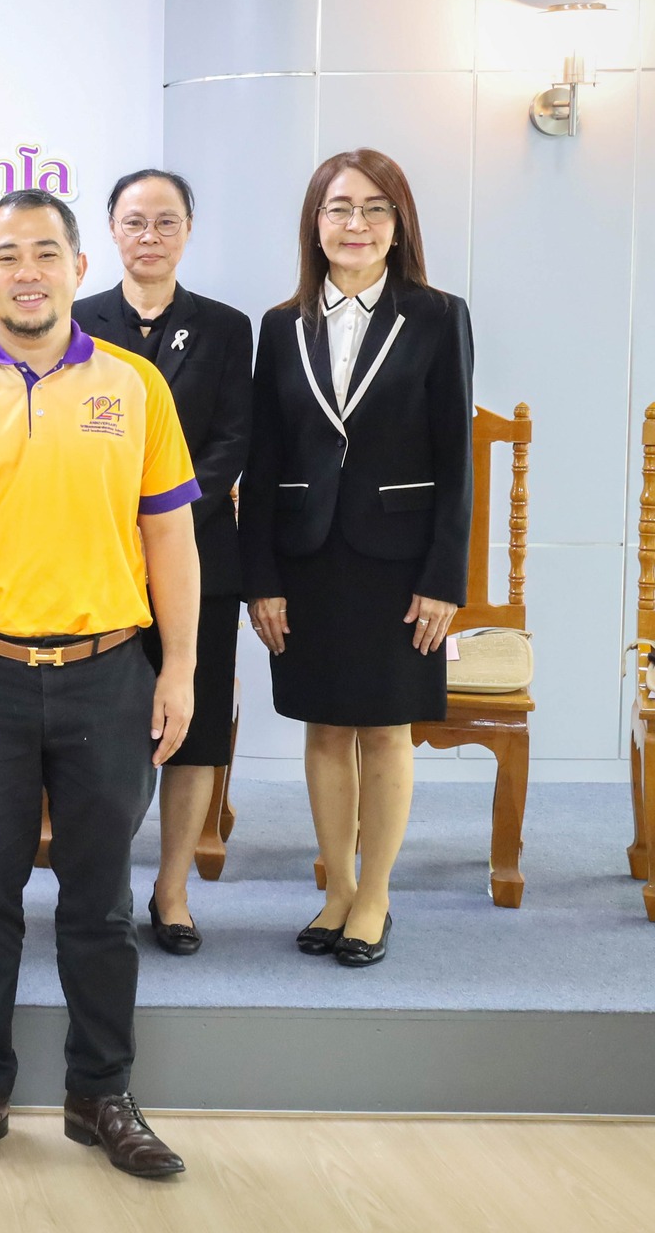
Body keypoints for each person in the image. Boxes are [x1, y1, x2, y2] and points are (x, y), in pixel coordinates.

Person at [0, 188, 198, 1180]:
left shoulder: (136, 385)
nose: (27, 271)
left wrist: (180, 667)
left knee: (100, 900)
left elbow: (169, 535)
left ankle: (100, 1093)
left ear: (77, 268)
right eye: (7, 254)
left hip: (107, 674)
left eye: (45, 252)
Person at [241, 149, 473, 969]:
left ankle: (375, 895)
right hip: (307, 558)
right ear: (315, 223)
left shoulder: (438, 316)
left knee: (384, 727)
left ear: (398, 224)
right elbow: (264, 458)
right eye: (339, 208)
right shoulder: (281, 325)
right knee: (324, 724)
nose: (357, 224)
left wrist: (444, 579)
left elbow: (456, 457)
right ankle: (336, 889)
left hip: (399, 563)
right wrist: (260, 579)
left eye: (376, 208)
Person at [75, 170, 252, 955]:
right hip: (95, 559)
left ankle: (172, 891)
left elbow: (232, 441)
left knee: (197, 730)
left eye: (166, 222)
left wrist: (163, 516)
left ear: (188, 231)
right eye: (135, 221)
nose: (150, 236)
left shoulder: (225, 328)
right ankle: (103, 884)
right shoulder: (75, 321)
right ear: (112, 230)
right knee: (98, 734)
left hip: (197, 557)